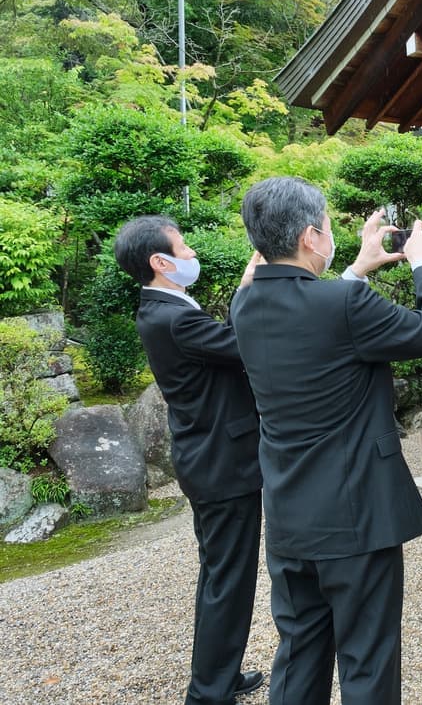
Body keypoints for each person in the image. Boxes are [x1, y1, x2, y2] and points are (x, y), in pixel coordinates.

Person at [231, 176, 422, 704]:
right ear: (312, 237)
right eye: (328, 228)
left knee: (298, 655)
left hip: (289, 515)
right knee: (367, 662)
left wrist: (358, 267)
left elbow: (317, 313)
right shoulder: (344, 307)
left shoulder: (244, 307)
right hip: (356, 518)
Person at [113, 215, 265, 705]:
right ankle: (209, 692)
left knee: (220, 575)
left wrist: (244, 287)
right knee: (229, 580)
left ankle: (217, 674)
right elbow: (244, 346)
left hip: (207, 458)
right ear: (160, 262)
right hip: (222, 464)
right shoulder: (174, 317)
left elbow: (217, 346)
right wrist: (250, 291)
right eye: (184, 248)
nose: (192, 254)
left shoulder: (163, 308)